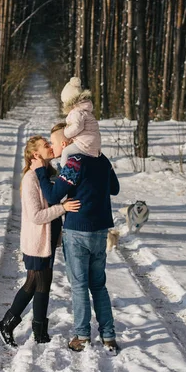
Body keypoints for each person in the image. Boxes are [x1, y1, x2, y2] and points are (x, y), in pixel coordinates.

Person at [31, 123, 121, 354]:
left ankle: (82, 336)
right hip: (100, 231)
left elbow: (52, 196)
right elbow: (115, 188)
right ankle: (108, 336)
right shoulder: (101, 159)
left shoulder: (74, 162)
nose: (51, 146)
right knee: (98, 285)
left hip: (78, 230)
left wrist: (41, 171)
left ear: (65, 143)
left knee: (80, 286)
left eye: (53, 142)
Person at [0, 135, 81, 348]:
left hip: (47, 241)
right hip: (36, 242)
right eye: (46, 146)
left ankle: (38, 331)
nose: (50, 147)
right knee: (34, 284)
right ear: (35, 154)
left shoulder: (47, 174)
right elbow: (36, 216)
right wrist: (63, 208)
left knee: (43, 284)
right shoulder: (30, 179)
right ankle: (8, 324)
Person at [59, 77, 102, 168]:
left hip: (86, 144)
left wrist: (66, 132)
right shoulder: (85, 111)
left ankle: (63, 172)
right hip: (93, 144)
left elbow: (77, 127)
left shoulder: (76, 112)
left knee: (66, 152)